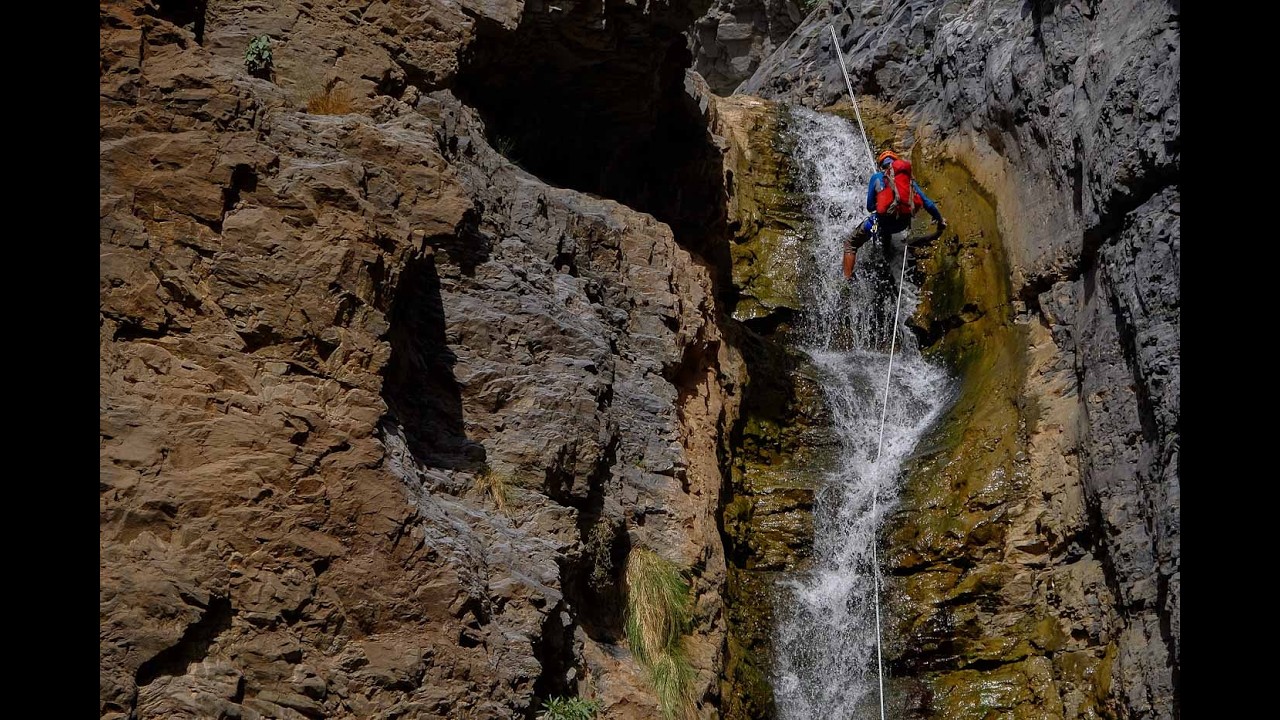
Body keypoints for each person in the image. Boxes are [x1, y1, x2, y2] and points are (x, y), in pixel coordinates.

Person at [842, 149, 946, 283]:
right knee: (887, 233)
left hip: (880, 224)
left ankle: (847, 280)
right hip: (901, 225)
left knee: (850, 244)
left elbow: (869, 207)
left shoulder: (877, 178)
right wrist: (940, 220)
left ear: (881, 166)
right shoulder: (907, 181)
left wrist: (882, 202)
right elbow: (928, 203)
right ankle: (887, 252)